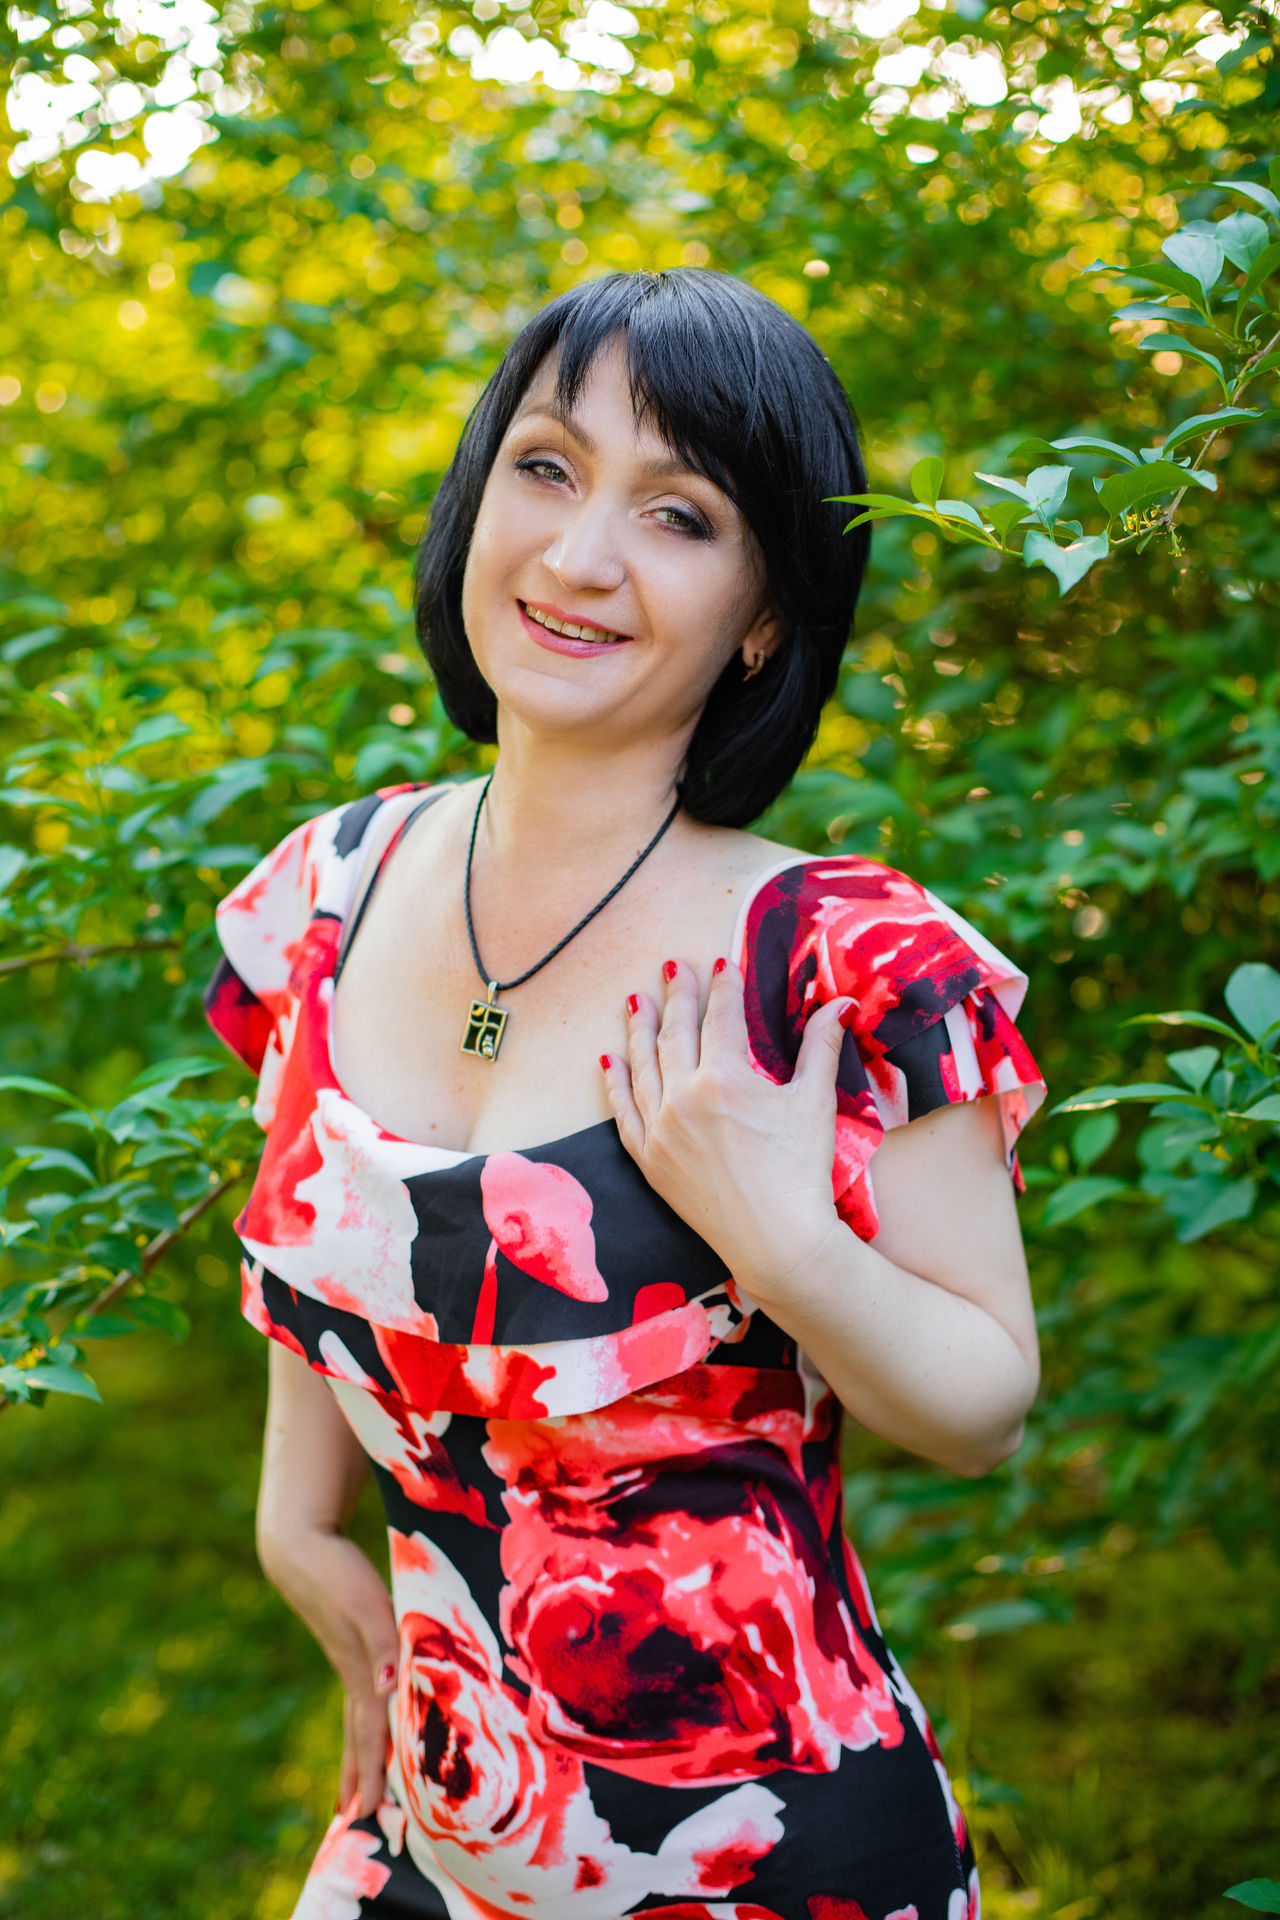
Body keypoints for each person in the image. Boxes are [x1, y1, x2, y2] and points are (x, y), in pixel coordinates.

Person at [204, 267, 1043, 1920]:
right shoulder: (329, 889)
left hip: (778, 1864)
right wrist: (295, 1520)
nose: (583, 556)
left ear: (765, 614)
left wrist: (788, 1244)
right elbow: (330, 1245)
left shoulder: (842, 960)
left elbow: (983, 1407)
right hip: (427, 1843)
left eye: (679, 514)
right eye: (547, 468)